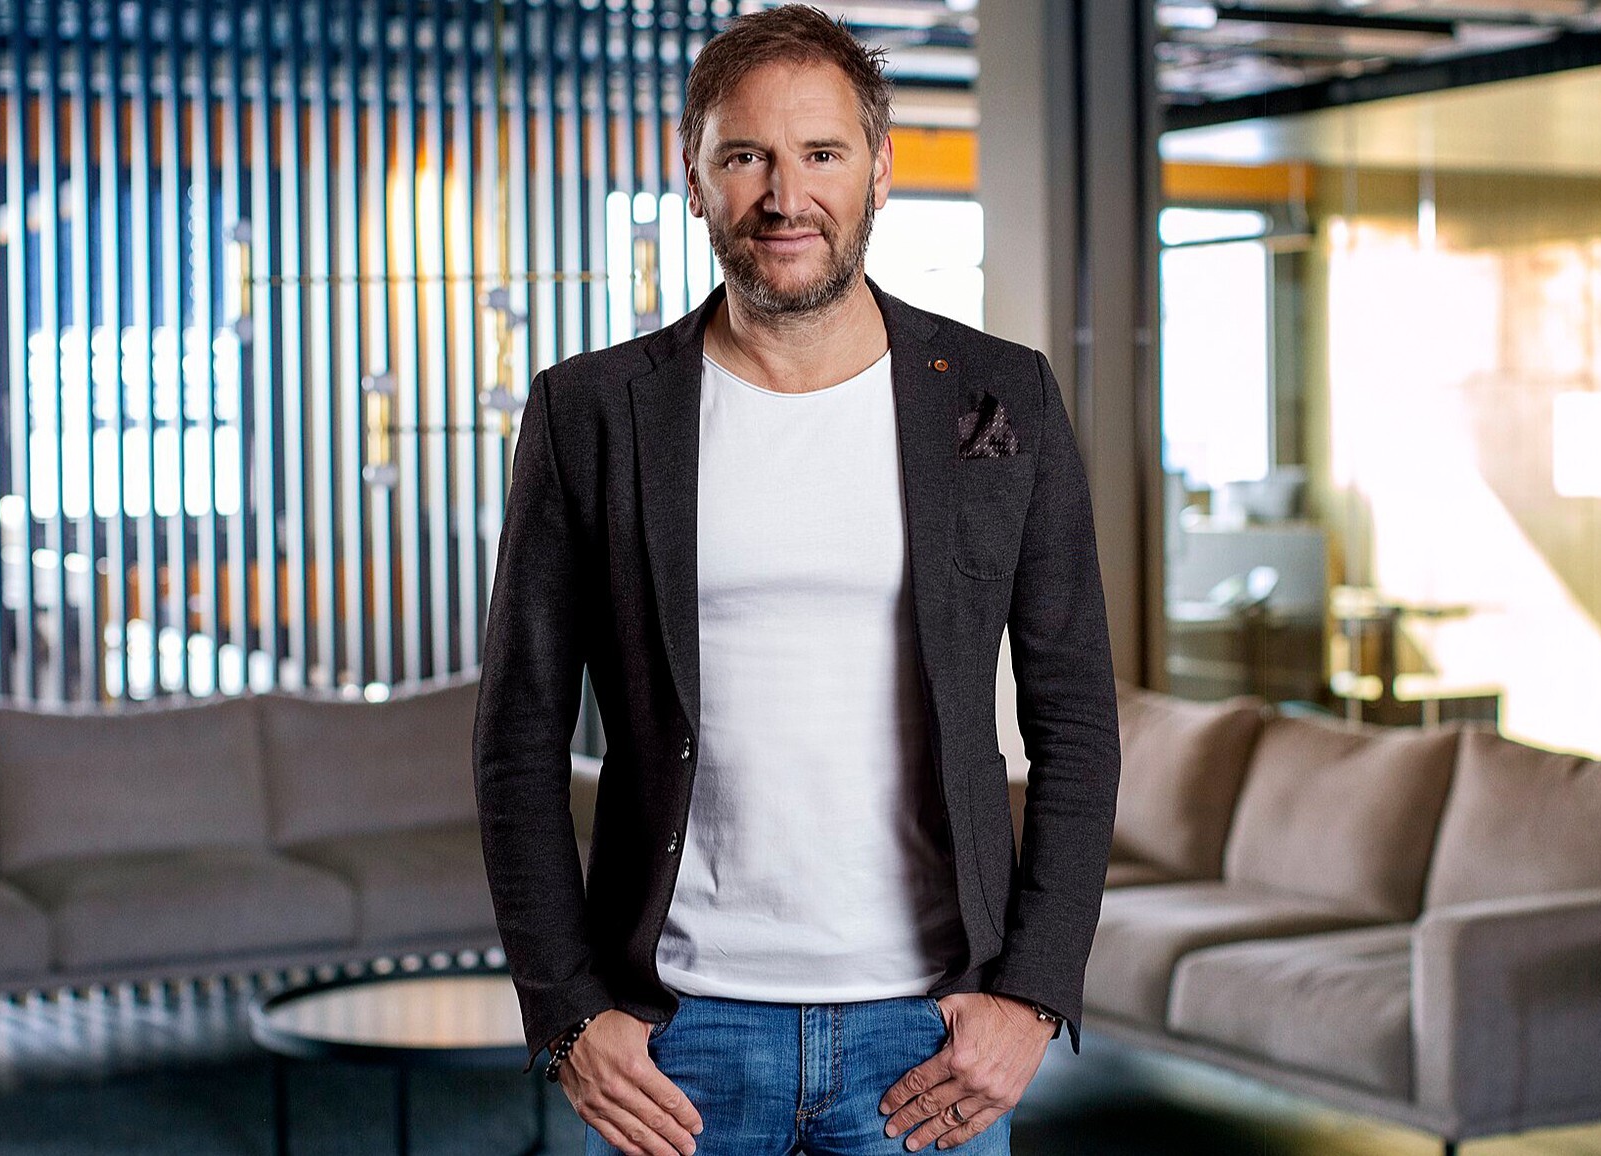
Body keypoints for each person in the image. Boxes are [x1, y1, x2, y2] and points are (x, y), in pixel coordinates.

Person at [473, 6, 1119, 1154]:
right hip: (675, 1039)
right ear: (694, 177)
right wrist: (567, 1009)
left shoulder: (998, 394)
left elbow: (1075, 717)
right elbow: (517, 738)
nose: (786, 196)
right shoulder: (592, 413)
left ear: (880, 170)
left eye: (821, 153)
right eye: (745, 156)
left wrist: (1033, 994)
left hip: (930, 1035)